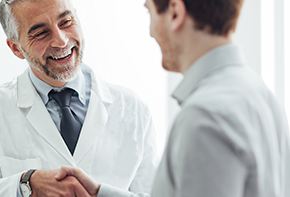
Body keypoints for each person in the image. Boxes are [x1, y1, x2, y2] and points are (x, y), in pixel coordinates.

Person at [56, 0, 290, 196]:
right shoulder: (259, 93)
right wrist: (100, 192)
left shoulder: (205, 117)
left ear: (175, 13)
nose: (150, 31)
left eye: (150, 11)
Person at [0, 0, 158, 196]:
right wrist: (26, 184)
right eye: (41, 33)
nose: (61, 40)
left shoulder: (132, 108)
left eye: (66, 22)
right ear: (16, 48)